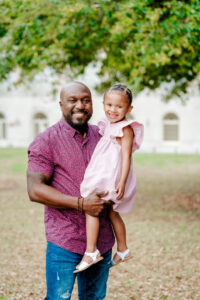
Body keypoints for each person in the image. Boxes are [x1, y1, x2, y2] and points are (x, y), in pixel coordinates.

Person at [26, 81, 115, 300]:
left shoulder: (104, 136)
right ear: (61, 104)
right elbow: (35, 190)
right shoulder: (46, 141)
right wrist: (81, 204)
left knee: (94, 298)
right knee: (59, 297)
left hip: (101, 240)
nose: (80, 105)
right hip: (64, 241)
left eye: (86, 100)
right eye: (73, 100)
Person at [74, 83, 144, 273]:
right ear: (103, 104)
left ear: (129, 109)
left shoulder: (126, 129)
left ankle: (91, 251)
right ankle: (123, 249)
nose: (113, 110)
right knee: (112, 212)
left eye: (119, 106)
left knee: (91, 207)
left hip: (110, 176)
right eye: (109, 105)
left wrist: (121, 182)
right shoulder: (107, 124)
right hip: (104, 171)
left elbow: (126, 156)